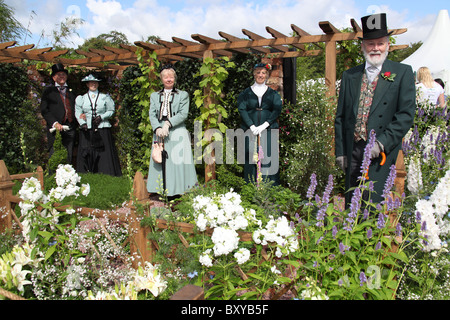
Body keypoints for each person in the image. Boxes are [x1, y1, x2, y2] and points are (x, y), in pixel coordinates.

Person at [334, 13, 416, 206]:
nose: (375, 48)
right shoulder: (349, 75)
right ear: (363, 46)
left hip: (380, 151)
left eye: (380, 43)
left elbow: (405, 115)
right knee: (352, 203)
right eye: (371, 44)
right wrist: (340, 151)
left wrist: (381, 143)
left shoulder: (402, 72)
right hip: (353, 149)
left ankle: (371, 237)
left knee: (373, 203)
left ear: (387, 45)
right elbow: (341, 117)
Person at [146, 65, 197, 199]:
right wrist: (157, 127)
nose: (169, 79)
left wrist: (168, 124)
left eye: (171, 76)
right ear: (162, 79)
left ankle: (178, 190)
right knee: (159, 159)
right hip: (159, 131)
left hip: (176, 130)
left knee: (176, 160)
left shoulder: (183, 95)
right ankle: (159, 189)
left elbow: (183, 114)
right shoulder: (154, 96)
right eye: (166, 77)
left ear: (175, 78)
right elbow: (151, 114)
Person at [237, 62, 282, 186]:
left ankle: (270, 189)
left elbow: (277, 109)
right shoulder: (245, 93)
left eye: (263, 73)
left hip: (268, 130)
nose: (260, 75)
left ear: (266, 75)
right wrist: (251, 126)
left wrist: (265, 125)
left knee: (268, 158)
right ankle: (251, 189)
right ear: (254, 74)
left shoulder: (273, 94)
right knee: (251, 158)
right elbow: (242, 109)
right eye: (258, 72)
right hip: (250, 131)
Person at [75, 73, 122, 176]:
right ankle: (87, 174)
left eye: (95, 82)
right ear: (87, 84)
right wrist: (83, 123)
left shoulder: (104, 97)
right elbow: (78, 112)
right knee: (87, 151)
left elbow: (111, 110)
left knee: (104, 154)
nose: (93, 84)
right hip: (87, 129)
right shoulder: (81, 98)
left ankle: (106, 174)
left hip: (102, 128)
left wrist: (102, 117)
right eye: (91, 82)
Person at [40, 63, 76, 166]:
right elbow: (44, 110)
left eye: (63, 74)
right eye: (59, 75)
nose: (61, 76)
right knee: (54, 153)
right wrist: (55, 123)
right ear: (54, 77)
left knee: (69, 153)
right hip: (55, 128)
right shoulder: (48, 91)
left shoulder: (71, 92)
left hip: (70, 127)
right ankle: (54, 177)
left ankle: (68, 177)